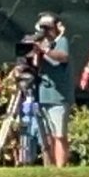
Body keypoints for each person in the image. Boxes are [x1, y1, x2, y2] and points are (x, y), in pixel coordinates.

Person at [26, 13, 72, 168]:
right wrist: (33, 52)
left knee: (59, 134)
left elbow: (63, 57)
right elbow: (34, 64)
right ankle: (49, 166)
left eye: (48, 28)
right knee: (46, 135)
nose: (45, 31)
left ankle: (60, 166)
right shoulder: (41, 42)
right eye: (43, 28)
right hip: (42, 95)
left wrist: (45, 49)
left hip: (58, 97)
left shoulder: (61, 41)